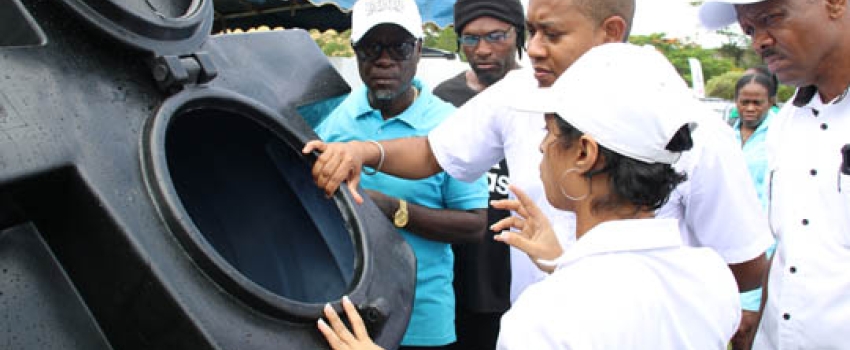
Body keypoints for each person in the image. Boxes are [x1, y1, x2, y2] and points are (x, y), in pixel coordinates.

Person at [304, 0, 771, 302]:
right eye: (531, 32)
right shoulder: (519, 92)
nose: (536, 50)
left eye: (553, 34)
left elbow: (746, 267)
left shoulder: (692, 130)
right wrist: (363, 151)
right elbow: (433, 152)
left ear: (610, 32)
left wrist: (652, 312)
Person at [316, 43, 742, 350]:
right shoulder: (711, 277)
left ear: (584, 153)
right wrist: (561, 264)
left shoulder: (547, 313)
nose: (540, 147)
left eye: (550, 132)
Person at [314, 0, 489, 348]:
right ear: (355, 50)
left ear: (420, 49)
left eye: (399, 46)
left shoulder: (450, 125)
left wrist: (391, 210)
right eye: (372, 47)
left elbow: (474, 224)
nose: (384, 59)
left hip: (422, 324)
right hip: (343, 321)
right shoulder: (330, 122)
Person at [700, 0, 850, 348]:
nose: (759, 42)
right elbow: (788, 252)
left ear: (836, 3)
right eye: (749, 29)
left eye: (771, 18)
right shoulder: (785, 126)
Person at [431, 0, 525, 349]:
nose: (483, 50)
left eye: (496, 36)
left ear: (519, 34)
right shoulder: (445, 99)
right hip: (458, 277)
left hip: (520, 272)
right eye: (470, 39)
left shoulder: (540, 96)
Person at [728, 72, 778, 350]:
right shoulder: (727, 133)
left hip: (762, 246)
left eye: (757, 103)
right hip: (727, 242)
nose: (749, 108)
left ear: (771, 102)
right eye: (744, 102)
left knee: (746, 328)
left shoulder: (779, 135)